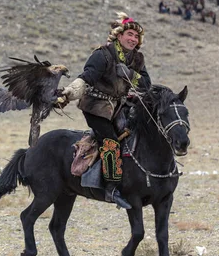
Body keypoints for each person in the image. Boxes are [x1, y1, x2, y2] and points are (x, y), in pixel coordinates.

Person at [61, 12, 152, 209]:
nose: (133, 39)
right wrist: (68, 93)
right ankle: (111, 188)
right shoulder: (102, 54)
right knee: (111, 142)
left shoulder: (137, 59)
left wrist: (131, 75)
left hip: (120, 107)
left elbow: (146, 84)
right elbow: (86, 78)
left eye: (136, 37)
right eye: (129, 34)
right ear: (119, 36)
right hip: (96, 107)